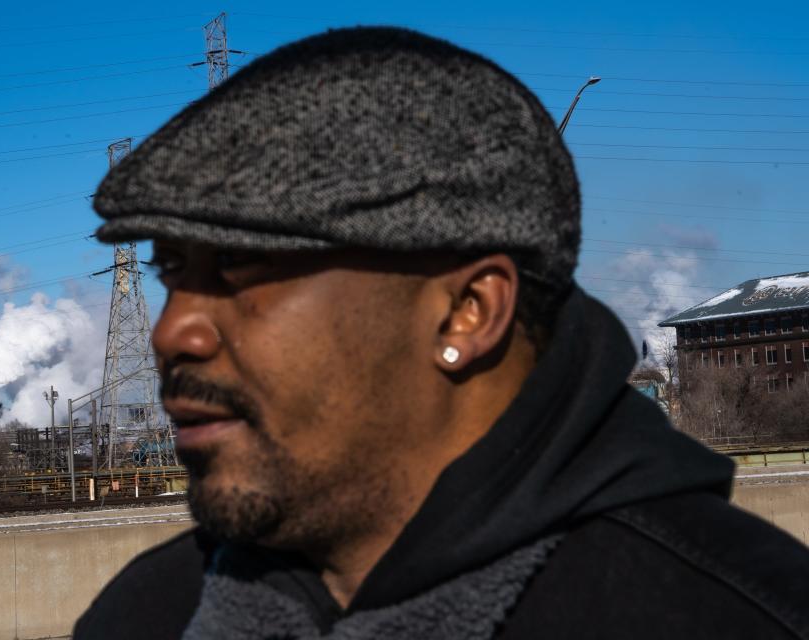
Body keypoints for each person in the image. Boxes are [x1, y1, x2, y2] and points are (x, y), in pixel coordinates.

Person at [74, 27, 809, 640]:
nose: (173, 333)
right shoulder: (148, 612)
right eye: (172, 270)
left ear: (468, 312)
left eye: (239, 267)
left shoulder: (734, 614)